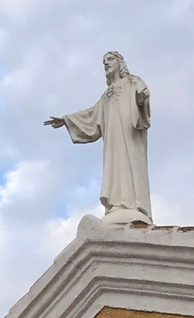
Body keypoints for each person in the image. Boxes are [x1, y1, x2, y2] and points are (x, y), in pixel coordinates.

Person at [46, 51, 152, 222]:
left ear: (120, 63)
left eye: (110, 60)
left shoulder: (132, 82)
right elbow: (91, 115)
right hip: (113, 138)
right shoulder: (106, 96)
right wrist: (67, 120)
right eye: (104, 61)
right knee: (115, 164)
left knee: (129, 162)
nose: (106, 63)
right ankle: (117, 203)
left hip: (130, 134)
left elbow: (142, 98)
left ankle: (132, 203)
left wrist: (141, 99)